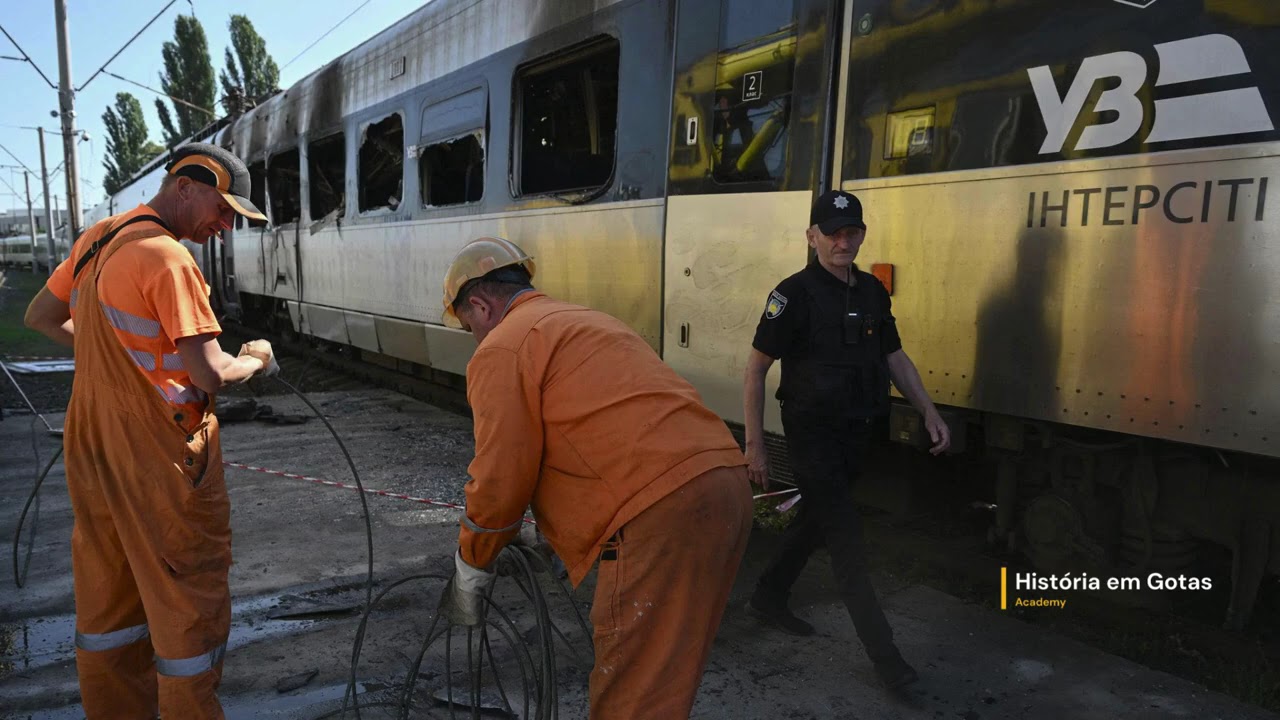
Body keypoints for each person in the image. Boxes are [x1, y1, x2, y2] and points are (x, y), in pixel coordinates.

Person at [436, 237, 753, 719]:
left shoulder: (504, 345)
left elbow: (501, 477)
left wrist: (472, 563)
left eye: (467, 327)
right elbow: (599, 431)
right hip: (724, 482)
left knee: (634, 697)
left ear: (479, 304)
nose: (474, 339)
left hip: (659, 508)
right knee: (666, 676)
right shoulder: (586, 320)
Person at [24, 143, 278, 719]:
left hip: (90, 446)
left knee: (109, 604)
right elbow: (210, 371)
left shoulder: (96, 239)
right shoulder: (167, 258)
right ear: (186, 186)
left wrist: (112, 353)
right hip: (159, 456)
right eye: (223, 209)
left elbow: (40, 316)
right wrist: (258, 359)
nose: (226, 225)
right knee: (187, 602)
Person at [741, 190, 951, 689]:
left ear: (861, 235)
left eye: (851, 231)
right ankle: (888, 660)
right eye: (832, 232)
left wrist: (928, 409)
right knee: (846, 539)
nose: (842, 240)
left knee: (817, 517)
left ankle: (769, 595)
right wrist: (754, 444)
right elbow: (755, 371)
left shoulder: (874, 292)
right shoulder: (792, 294)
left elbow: (894, 356)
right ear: (812, 236)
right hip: (811, 432)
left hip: (858, 428)